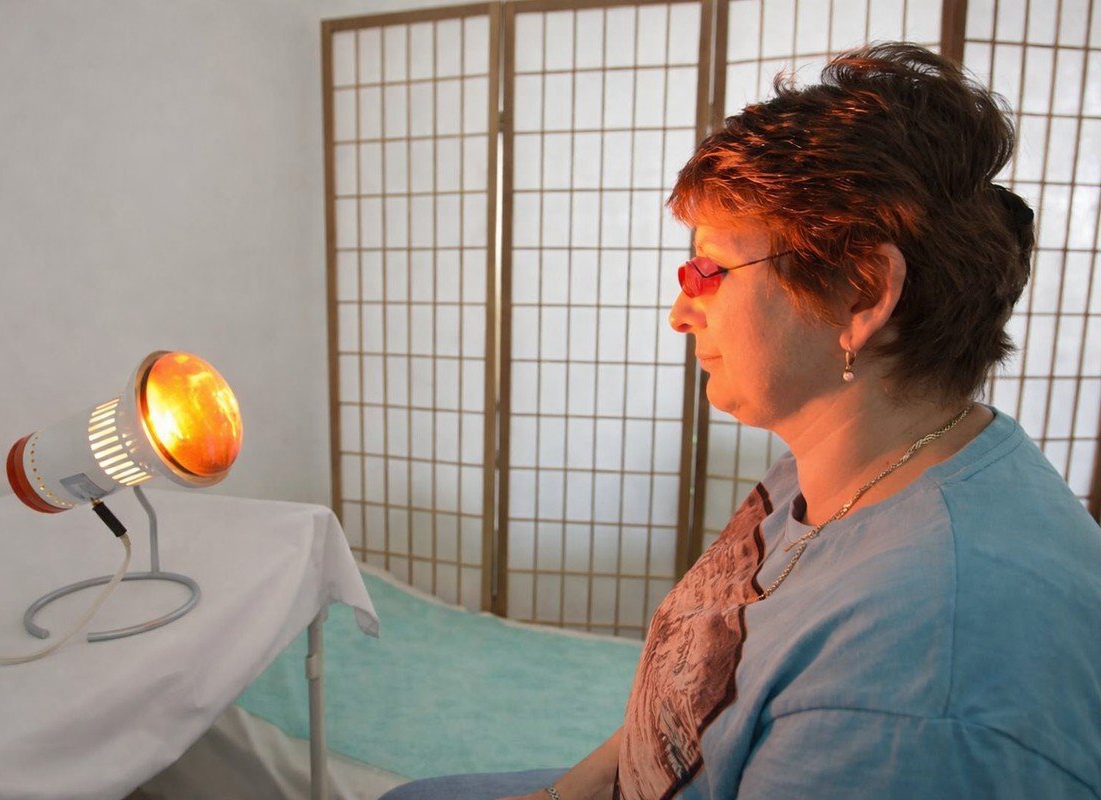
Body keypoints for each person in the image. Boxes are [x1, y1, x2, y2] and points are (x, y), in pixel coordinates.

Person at [380, 42, 1101, 800]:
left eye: (709, 270)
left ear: (861, 292)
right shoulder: (849, 463)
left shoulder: (921, 678)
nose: (679, 312)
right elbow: (694, 706)